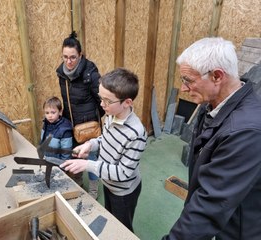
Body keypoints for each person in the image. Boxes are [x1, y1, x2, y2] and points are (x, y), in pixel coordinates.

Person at [162, 37, 261, 239]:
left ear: (217, 76)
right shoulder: (215, 104)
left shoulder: (246, 131)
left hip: (239, 229)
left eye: (188, 81)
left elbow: (210, 205)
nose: (183, 89)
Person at [60, 68, 148, 232]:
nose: (101, 104)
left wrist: (88, 165)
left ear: (127, 102)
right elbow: (105, 139)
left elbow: (123, 173)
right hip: (107, 182)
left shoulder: (136, 133)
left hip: (123, 193)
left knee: (123, 230)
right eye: (101, 98)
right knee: (111, 221)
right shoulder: (111, 115)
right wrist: (90, 144)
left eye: (107, 101)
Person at [56, 31, 105, 199]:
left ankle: (93, 188)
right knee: (74, 154)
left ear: (80, 55)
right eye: (65, 57)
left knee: (90, 159)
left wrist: (92, 119)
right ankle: (77, 183)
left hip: (88, 127)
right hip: (71, 124)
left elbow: (102, 100)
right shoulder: (62, 74)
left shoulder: (90, 72)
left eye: (73, 57)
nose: (69, 61)